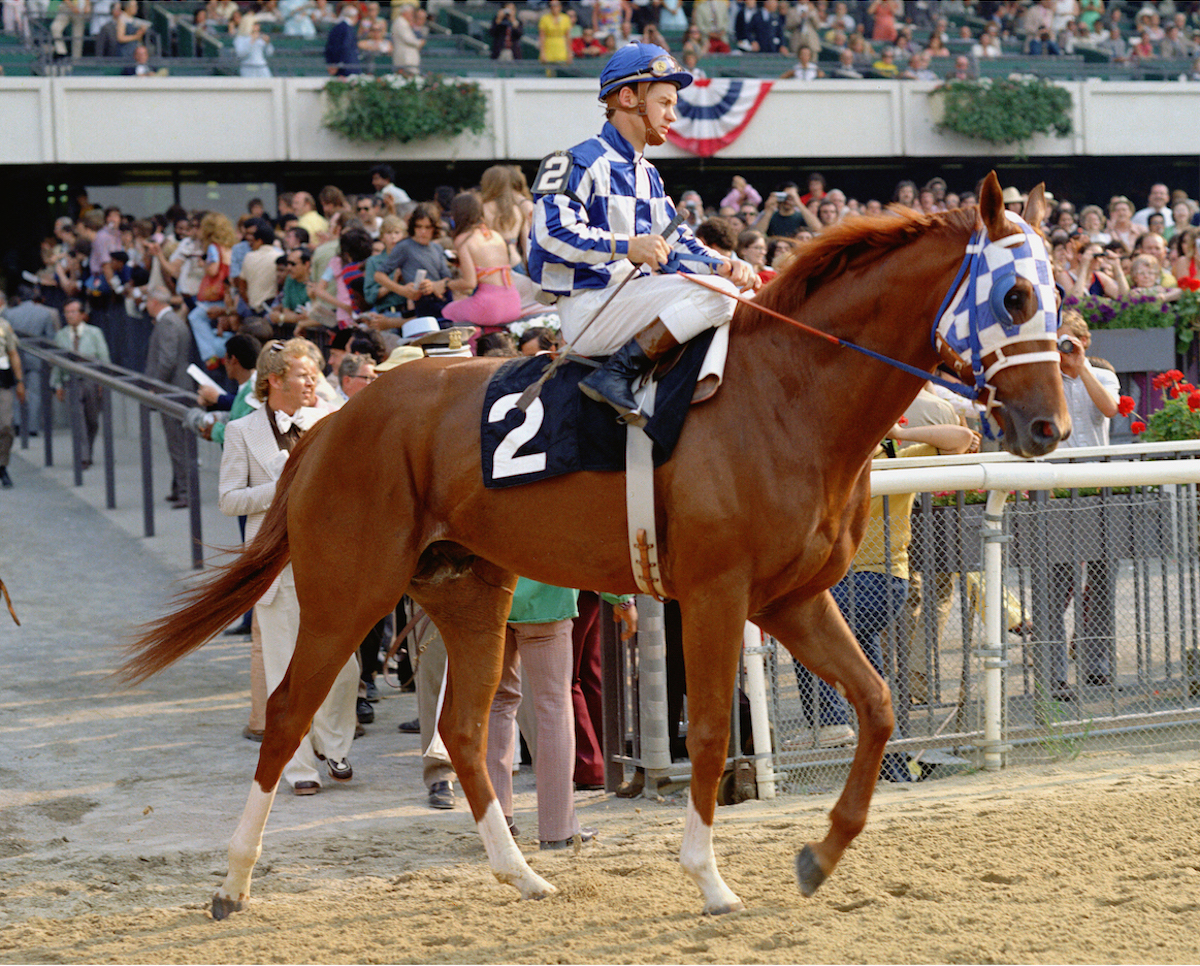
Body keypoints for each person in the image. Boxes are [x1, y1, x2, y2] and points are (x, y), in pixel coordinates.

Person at [527, 44, 758, 426]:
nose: (673, 114)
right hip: (589, 307)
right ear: (629, 97)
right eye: (665, 102)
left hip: (632, 301)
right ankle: (615, 373)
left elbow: (677, 241)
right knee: (719, 297)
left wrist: (725, 264)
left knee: (741, 293)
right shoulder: (573, 160)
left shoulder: (648, 173)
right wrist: (629, 247)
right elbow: (552, 234)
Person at [218, 338, 358, 795]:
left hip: (332, 562)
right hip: (276, 568)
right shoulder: (241, 431)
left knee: (345, 667)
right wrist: (279, 486)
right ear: (273, 380)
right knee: (283, 672)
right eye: (303, 374)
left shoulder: (330, 422)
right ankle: (299, 767)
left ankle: (334, 745)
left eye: (315, 373)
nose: (312, 380)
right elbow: (228, 500)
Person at [792, 418, 974, 768]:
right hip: (849, 582)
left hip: (877, 581)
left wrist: (900, 433)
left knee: (804, 627)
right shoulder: (830, 460)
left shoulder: (898, 458)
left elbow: (962, 439)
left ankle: (830, 723)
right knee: (868, 676)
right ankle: (892, 760)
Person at [485, 579, 635, 847]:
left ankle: (496, 824)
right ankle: (557, 830)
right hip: (547, 599)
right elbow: (584, 543)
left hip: (490, 598)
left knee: (498, 704)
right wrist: (621, 597)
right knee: (553, 707)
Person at [1049, 310, 1120, 698]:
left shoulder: (1103, 374)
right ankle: (1055, 673)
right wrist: (1053, 367)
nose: (1061, 351)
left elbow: (1109, 409)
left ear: (1083, 341)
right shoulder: (1046, 377)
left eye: (1066, 342)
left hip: (1095, 486)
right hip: (1058, 487)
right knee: (1057, 586)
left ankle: (1096, 665)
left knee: (1101, 584)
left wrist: (1081, 368)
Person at [441, 192, 523, 339]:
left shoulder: (464, 239)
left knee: (448, 311)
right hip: (513, 302)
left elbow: (469, 283)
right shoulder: (495, 235)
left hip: (490, 306)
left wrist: (445, 284)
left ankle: (472, 352)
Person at [142, 288, 193, 509]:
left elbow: (167, 359)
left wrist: (154, 385)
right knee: (177, 443)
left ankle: (185, 490)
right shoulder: (171, 321)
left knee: (177, 444)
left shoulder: (168, 323)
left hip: (172, 390)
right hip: (175, 388)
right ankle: (179, 487)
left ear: (154, 302)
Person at [51, 298, 111, 470]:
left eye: (73, 312)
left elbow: (103, 357)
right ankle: (83, 455)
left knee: (92, 419)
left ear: (82, 314)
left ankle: (88, 451)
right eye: (67, 312)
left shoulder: (94, 333)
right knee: (77, 418)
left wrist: (103, 381)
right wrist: (58, 384)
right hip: (71, 380)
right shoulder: (61, 335)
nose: (70, 315)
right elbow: (57, 362)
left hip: (91, 380)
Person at [0, 312, 24, 489]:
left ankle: (2, 465)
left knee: (6, 425)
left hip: (2, 381)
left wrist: (20, 381)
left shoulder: (3, 325)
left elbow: (13, 353)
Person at [325, 0, 362, 75]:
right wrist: (338, 64)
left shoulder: (337, 27)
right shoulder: (347, 29)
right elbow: (345, 47)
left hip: (342, 66)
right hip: (348, 67)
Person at [391, 2, 424, 74]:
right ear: (405, 13)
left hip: (407, 57)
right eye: (411, 13)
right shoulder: (400, 22)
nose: (412, 15)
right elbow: (408, 39)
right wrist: (420, 42)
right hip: (405, 57)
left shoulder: (404, 22)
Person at [538, 0, 572, 67]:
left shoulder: (565, 18)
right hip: (549, 46)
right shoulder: (544, 19)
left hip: (561, 47)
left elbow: (568, 37)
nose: (554, 7)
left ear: (560, 6)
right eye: (552, 6)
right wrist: (542, 53)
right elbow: (542, 37)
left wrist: (569, 53)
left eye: (556, 5)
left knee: (562, 68)